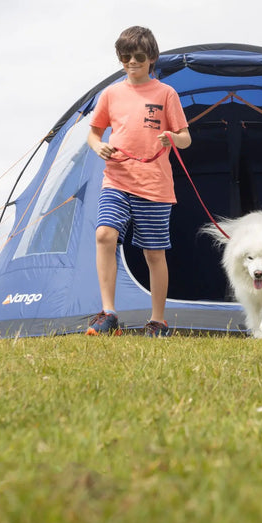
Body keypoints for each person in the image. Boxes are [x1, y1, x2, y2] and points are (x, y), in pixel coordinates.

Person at [86, 26, 191, 336]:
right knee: (104, 235)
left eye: (139, 57)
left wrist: (172, 137)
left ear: (152, 59)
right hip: (116, 179)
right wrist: (98, 146)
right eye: (125, 57)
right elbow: (93, 133)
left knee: (153, 253)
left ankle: (158, 321)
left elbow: (185, 138)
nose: (131, 62)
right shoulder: (111, 93)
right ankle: (109, 315)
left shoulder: (166, 94)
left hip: (155, 186)